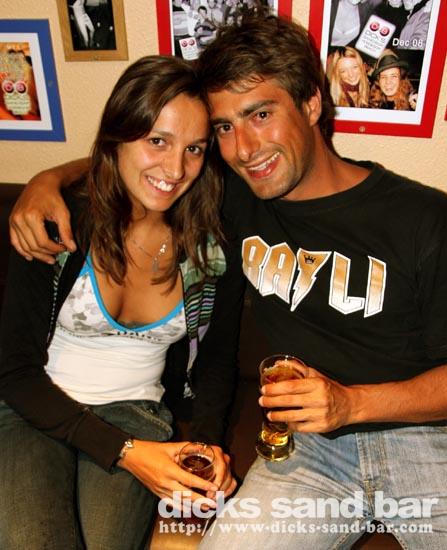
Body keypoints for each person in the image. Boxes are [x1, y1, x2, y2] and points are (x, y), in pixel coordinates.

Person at [8, 10, 447, 549]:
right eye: (224, 128)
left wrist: (352, 404)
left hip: (424, 442)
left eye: (260, 114)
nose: (243, 148)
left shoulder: (423, 219)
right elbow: (143, 155)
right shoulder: (234, 195)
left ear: (312, 103)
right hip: (308, 452)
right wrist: (46, 180)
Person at [0, 55, 240, 550]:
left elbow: (216, 360)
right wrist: (128, 453)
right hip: (34, 408)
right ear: (118, 136)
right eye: (157, 141)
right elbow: (14, 369)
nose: (175, 169)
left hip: (137, 413)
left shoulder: (212, 246)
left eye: (194, 148)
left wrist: (207, 447)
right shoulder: (57, 222)